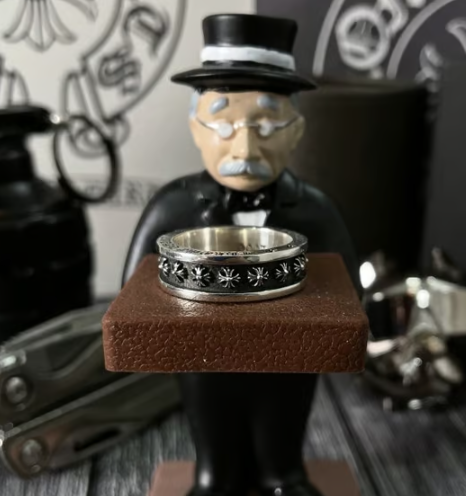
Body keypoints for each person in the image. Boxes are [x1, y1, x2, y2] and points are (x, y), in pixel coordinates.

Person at [123, 14, 359, 496]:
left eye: (267, 125)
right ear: (196, 128)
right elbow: (133, 295)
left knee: (282, 433)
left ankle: (282, 474)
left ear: (296, 131)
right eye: (224, 123)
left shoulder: (314, 211)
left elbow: (351, 294)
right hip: (202, 356)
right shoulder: (173, 208)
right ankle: (215, 477)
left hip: (290, 356)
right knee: (215, 440)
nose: (246, 147)